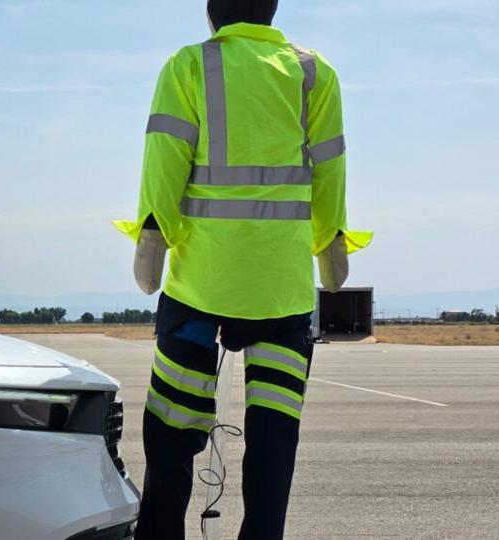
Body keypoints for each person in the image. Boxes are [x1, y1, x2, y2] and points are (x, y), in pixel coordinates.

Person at [113, 1, 372, 539]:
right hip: (281, 292)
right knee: (274, 446)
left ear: (212, 15)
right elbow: (330, 171)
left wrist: (153, 238)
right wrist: (331, 247)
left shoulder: (189, 65)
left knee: (171, 438)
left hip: (199, 287)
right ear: (271, 10)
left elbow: (164, 161)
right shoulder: (313, 73)